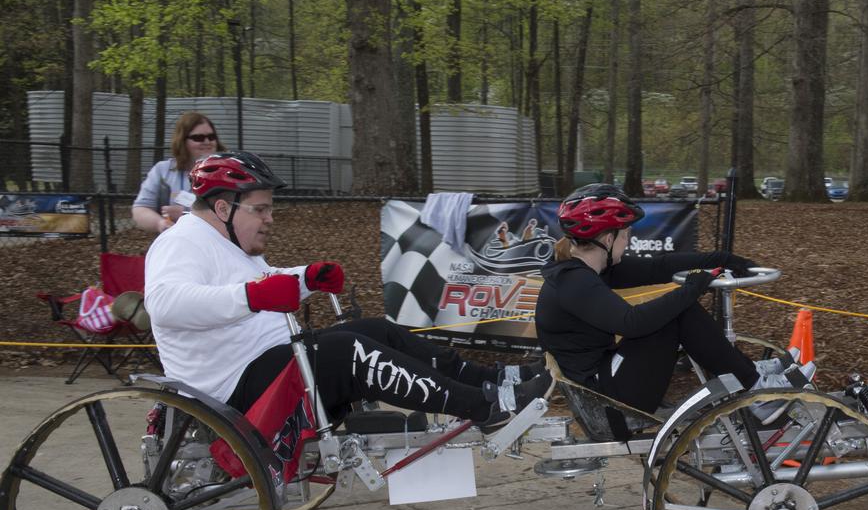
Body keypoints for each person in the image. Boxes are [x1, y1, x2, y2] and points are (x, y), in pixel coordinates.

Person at [145, 150, 550, 431]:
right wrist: (250, 296)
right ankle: (483, 408)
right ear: (223, 209)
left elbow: (262, 283)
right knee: (346, 351)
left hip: (267, 360)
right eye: (261, 209)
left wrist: (306, 277)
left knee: (377, 330)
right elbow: (164, 304)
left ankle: (496, 380)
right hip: (232, 387)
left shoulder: (227, 242)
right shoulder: (181, 241)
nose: (270, 219)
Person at [534, 183, 811, 416]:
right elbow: (631, 322)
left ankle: (747, 373)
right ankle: (757, 392)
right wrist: (691, 289)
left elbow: (659, 266)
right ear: (608, 240)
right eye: (626, 234)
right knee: (679, 312)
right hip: (608, 403)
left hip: (605, 385)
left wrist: (724, 259)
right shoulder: (574, 282)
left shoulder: (586, 270)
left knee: (675, 311)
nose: (627, 242)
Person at [133, 112, 226, 234]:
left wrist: (185, 212)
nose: (207, 141)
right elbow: (140, 209)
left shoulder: (227, 171)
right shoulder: (163, 170)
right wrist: (161, 224)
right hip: (177, 241)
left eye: (211, 137)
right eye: (198, 138)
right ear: (182, 141)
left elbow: (234, 212)